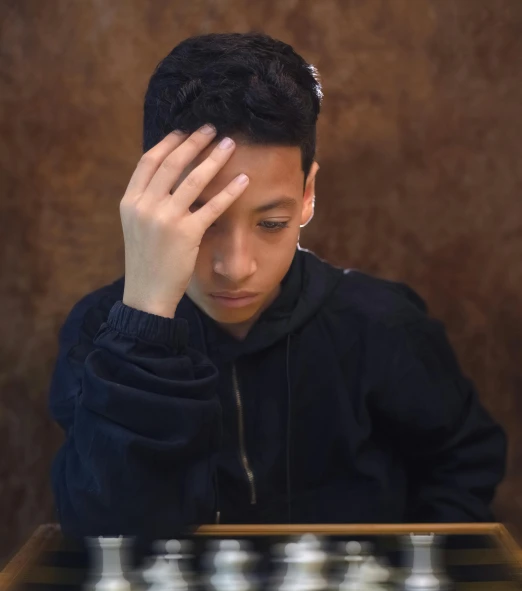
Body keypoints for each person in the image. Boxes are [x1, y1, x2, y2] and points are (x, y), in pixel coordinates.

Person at [48, 31, 507, 545]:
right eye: (203, 219)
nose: (236, 267)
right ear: (152, 202)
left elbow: (464, 463)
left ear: (308, 195)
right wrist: (147, 320)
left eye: (271, 224)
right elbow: (107, 533)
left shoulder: (383, 325)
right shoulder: (100, 332)